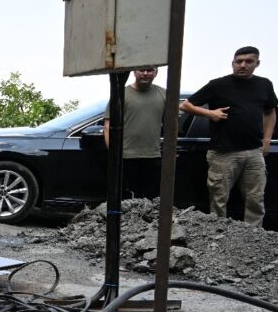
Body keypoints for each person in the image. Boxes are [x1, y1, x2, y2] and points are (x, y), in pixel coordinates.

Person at [181, 46, 277, 227]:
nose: (243, 65)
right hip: (223, 153)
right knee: (219, 200)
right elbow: (185, 105)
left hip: (253, 153)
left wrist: (266, 141)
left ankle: (253, 239)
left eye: (249, 61)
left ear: (258, 63)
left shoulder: (264, 85)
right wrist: (210, 114)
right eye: (238, 61)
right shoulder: (218, 85)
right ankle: (218, 239)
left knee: (255, 200)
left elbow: (270, 111)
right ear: (232, 63)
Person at [102, 66, 166, 199]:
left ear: (156, 72)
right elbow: (108, 126)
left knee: (151, 201)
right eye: (141, 70)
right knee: (128, 201)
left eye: (150, 70)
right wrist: (114, 154)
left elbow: (172, 124)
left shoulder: (164, 94)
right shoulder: (120, 94)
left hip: (153, 156)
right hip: (126, 157)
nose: (145, 73)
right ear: (134, 72)